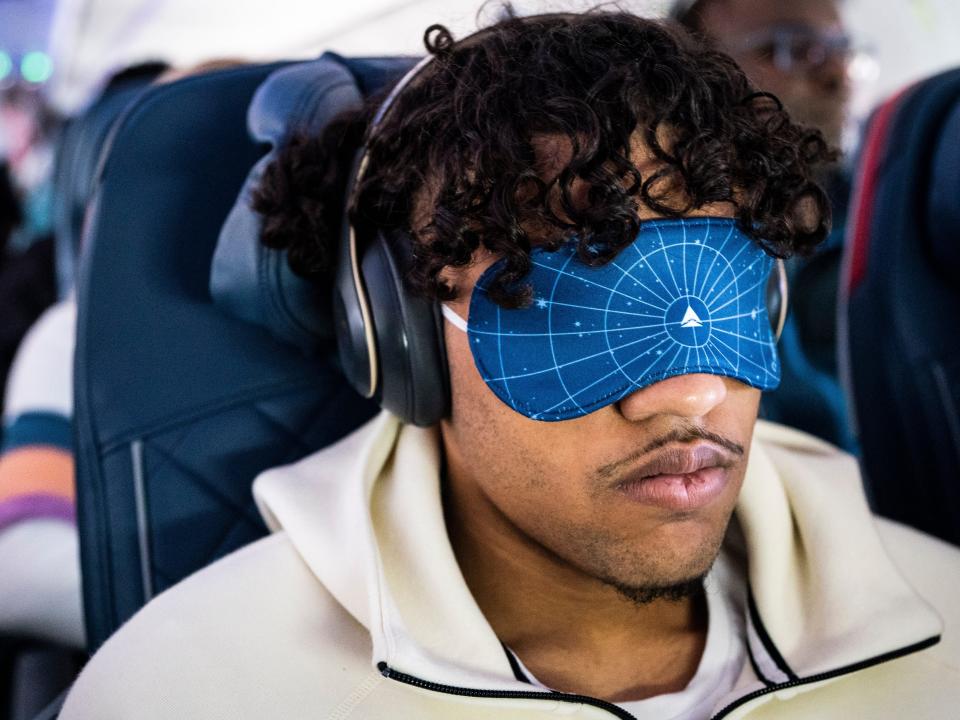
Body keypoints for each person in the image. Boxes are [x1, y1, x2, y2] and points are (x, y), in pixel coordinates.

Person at [61, 12, 959, 719]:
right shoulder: (185, 693)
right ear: (400, 335)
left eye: (715, 292)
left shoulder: (944, 621)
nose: (694, 393)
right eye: (575, 303)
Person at [672, 0, 858, 451]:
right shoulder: (663, 245)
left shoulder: (890, 220)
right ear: (698, 68)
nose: (836, 75)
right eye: (790, 49)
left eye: (840, 49)